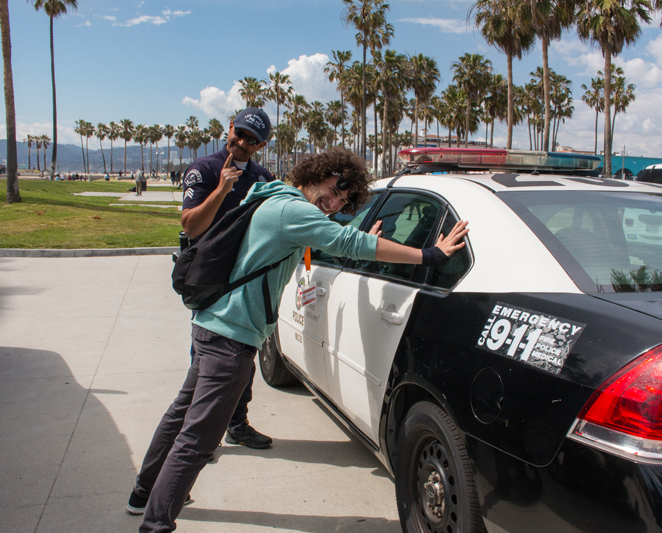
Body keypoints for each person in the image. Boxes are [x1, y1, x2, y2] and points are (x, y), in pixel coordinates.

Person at [128, 147, 468, 532]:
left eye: (344, 199)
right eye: (336, 187)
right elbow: (346, 246)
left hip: (212, 324)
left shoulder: (273, 195)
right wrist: (430, 254)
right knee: (198, 441)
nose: (335, 200)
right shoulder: (294, 211)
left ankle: (143, 492)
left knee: (181, 415)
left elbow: (324, 242)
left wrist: (352, 233)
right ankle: (155, 525)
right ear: (317, 171)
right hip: (231, 338)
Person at [178, 107, 275, 451]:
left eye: (253, 140)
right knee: (206, 364)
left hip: (245, 284)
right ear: (230, 127)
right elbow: (190, 226)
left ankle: (236, 423)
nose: (243, 142)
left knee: (243, 362)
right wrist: (221, 190)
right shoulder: (203, 169)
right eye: (241, 133)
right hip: (210, 281)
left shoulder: (263, 178)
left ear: (262, 145)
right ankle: (197, 433)